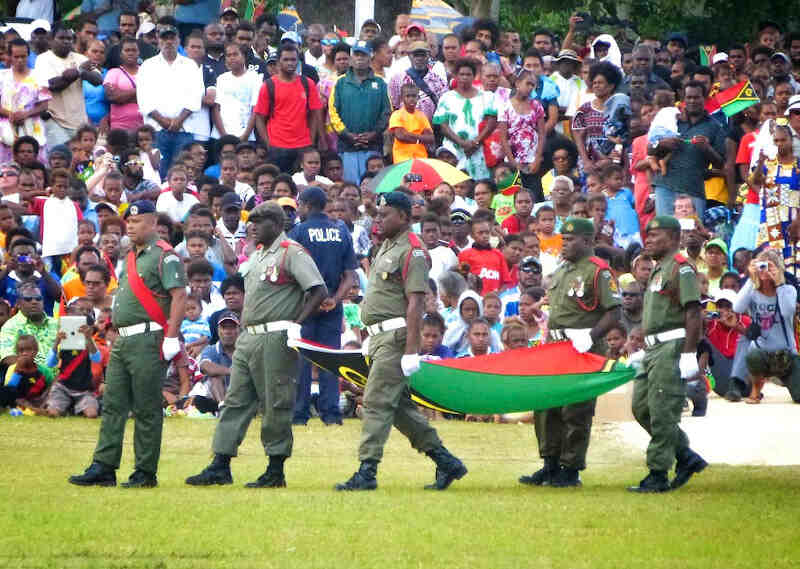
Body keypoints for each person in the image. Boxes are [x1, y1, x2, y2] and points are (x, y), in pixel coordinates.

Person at [186, 202, 327, 488]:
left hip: (276, 335)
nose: (252, 226)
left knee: (276, 401)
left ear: (276, 224)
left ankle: (275, 468)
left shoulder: (291, 252)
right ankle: (220, 464)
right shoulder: (258, 255)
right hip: (248, 335)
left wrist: (296, 324)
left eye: (259, 221)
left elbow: (318, 290)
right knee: (235, 400)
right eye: (251, 221)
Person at [335, 192, 467, 491]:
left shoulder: (413, 251)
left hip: (396, 336)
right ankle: (446, 462)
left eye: (386, 214)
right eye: (378, 214)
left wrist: (411, 349)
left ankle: (367, 471)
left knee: (376, 401)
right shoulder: (386, 247)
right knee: (397, 408)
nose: (379, 219)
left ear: (405, 217)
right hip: (381, 336)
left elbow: (416, 302)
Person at [69, 200, 187, 488]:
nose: (130, 227)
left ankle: (145, 472)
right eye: (128, 222)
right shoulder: (132, 256)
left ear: (152, 223)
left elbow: (180, 296)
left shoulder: (165, 256)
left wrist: (171, 336)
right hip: (122, 338)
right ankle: (104, 466)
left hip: (149, 338)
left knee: (146, 407)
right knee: (113, 403)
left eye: (136, 222)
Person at [520, 218, 620, 488]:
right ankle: (549, 463)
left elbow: (614, 312)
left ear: (587, 241)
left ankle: (571, 468)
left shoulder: (599, 272)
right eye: (562, 239)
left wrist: (591, 337)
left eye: (570, 240)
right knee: (546, 405)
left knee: (576, 409)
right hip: (555, 346)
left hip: (583, 347)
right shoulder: (562, 269)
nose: (564, 245)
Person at [627, 216, 707, 493]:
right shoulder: (659, 269)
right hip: (653, 348)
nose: (648, 239)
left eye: (655, 235)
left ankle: (658, 473)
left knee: (662, 411)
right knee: (641, 407)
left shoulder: (681, 269)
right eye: (647, 235)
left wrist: (688, 353)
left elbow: (693, 311)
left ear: (673, 238)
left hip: (672, 347)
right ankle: (685, 456)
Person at [288, 187, 357, 426]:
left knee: (302, 360)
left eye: (299, 205)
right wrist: (335, 299)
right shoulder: (341, 232)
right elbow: (350, 276)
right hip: (332, 306)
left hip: (304, 305)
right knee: (330, 360)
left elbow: (291, 273)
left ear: (306, 205)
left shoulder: (298, 232)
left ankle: (299, 415)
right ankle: (332, 415)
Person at [136, 23, 204, 179]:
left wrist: (178, 121)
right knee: (156, 173)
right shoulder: (148, 66)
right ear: (158, 41)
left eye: (172, 38)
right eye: (164, 38)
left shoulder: (190, 65)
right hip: (157, 130)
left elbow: (196, 96)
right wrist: (164, 121)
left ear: (178, 41)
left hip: (184, 129)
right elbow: (143, 99)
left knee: (182, 174)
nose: (168, 42)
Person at [649, 82, 725, 217]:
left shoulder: (714, 126)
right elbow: (650, 149)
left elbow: (721, 163)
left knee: (692, 233)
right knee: (666, 232)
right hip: (665, 185)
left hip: (693, 189)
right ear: (683, 99)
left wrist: (707, 148)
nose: (692, 101)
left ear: (705, 98)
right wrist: (662, 144)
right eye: (689, 97)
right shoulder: (671, 119)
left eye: (696, 97)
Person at [734, 249, 800, 404]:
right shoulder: (752, 291)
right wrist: (751, 278)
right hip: (761, 352)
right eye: (761, 265)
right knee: (753, 355)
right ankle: (756, 389)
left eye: (770, 266)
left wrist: (779, 283)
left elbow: (787, 311)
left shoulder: (788, 290)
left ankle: (783, 379)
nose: (764, 270)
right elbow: (737, 307)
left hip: (786, 355)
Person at [254, 43, 324, 174]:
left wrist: (311, 140)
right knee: (280, 187)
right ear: (279, 62)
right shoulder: (268, 85)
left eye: (293, 59)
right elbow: (259, 117)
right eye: (286, 59)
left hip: (303, 146)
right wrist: (269, 144)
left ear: (298, 61)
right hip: (278, 147)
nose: (290, 63)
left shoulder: (308, 83)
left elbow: (315, 113)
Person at [329, 40, 391, 184]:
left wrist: (374, 133)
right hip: (347, 147)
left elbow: (387, 112)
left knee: (373, 187)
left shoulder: (380, 83)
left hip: (373, 146)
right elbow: (333, 113)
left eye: (363, 55)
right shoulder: (340, 83)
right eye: (356, 54)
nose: (359, 58)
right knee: (350, 188)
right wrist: (347, 134)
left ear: (370, 57)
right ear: (351, 57)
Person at [33, 24, 103, 148]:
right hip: (54, 120)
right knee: (60, 156)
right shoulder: (43, 59)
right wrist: (79, 72)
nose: (66, 42)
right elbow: (53, 85)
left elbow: (98, 80)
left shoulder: (80, 58)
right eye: (61, 38)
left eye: (69, 39)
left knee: (80, 160)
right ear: (50, 39)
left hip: (79, 122)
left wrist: (79, 72)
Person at [433, 58, 497, 180]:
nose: (465, 77)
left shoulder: (486, 96)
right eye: (461, 74)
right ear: (455, 76)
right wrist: (462, 143)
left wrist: (476, 142)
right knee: (455, 185)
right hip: (454, 152)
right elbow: (443, 126)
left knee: (480, 187)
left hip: (479, 151)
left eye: (468, 74)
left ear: (474, 76)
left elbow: (491, 123)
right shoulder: (447, 98)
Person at [44, 302, 101, 418]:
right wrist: (57, 342)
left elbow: (97, 358)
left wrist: (88, 339)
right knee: (53, 413)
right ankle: (67, 406)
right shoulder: (61, 340)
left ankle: (73, 406)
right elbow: (50, 363)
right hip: (62, 387)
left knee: (92, 414)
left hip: (84, 389)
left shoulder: (88, 342)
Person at [0, 39, 51, 166]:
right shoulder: (2, 76)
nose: (20, 60)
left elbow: (45, 104)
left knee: (34, 166)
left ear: (28, 55)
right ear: (10, 56)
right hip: (5, 129)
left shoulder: (39, 76)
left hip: (32, 127)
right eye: (16, 57)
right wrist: (11, 114)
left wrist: (26, 114)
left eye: (23, 56)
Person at [498, 69, 546, 200]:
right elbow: (503, 137)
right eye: (528, 83)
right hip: (513, 161)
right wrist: (513, 162)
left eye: (533, 85)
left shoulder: (536, 106)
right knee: (513, 198)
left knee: (534, 197)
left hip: (532, 161)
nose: (530, 88)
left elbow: (542, 134)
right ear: (518, 83)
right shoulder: (505, 107)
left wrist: (537, 159)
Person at [388, 41, 448, 121]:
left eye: (423, 55)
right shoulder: (397, 80)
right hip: (404, 128)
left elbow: (443, 108)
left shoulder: (439, 82)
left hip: (430, 129)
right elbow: (394, 106)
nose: (419, 58)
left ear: (429, 56)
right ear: (409, 56)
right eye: (416, 55)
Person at [103, 38, 143, 131]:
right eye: (127, 50)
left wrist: (122, 95)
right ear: (121, 54)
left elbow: (152, 97)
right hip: (119, 127)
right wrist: (140, 90)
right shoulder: (113, 73)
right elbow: (112, 97)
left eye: (134, 50)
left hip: (144, 129)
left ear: (139, 53)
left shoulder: (146, 71)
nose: (131, 53)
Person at [389, 83, 435, 164]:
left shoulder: (421, 115)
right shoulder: (397, 114)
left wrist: (408, 134)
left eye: (414, 96)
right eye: (408, 96)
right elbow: (400, 136)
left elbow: (430, 138)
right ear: (402, 98)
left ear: (418, 97)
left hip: (421, 158)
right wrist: (420, 139)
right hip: (402, 158)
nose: (411, 99)